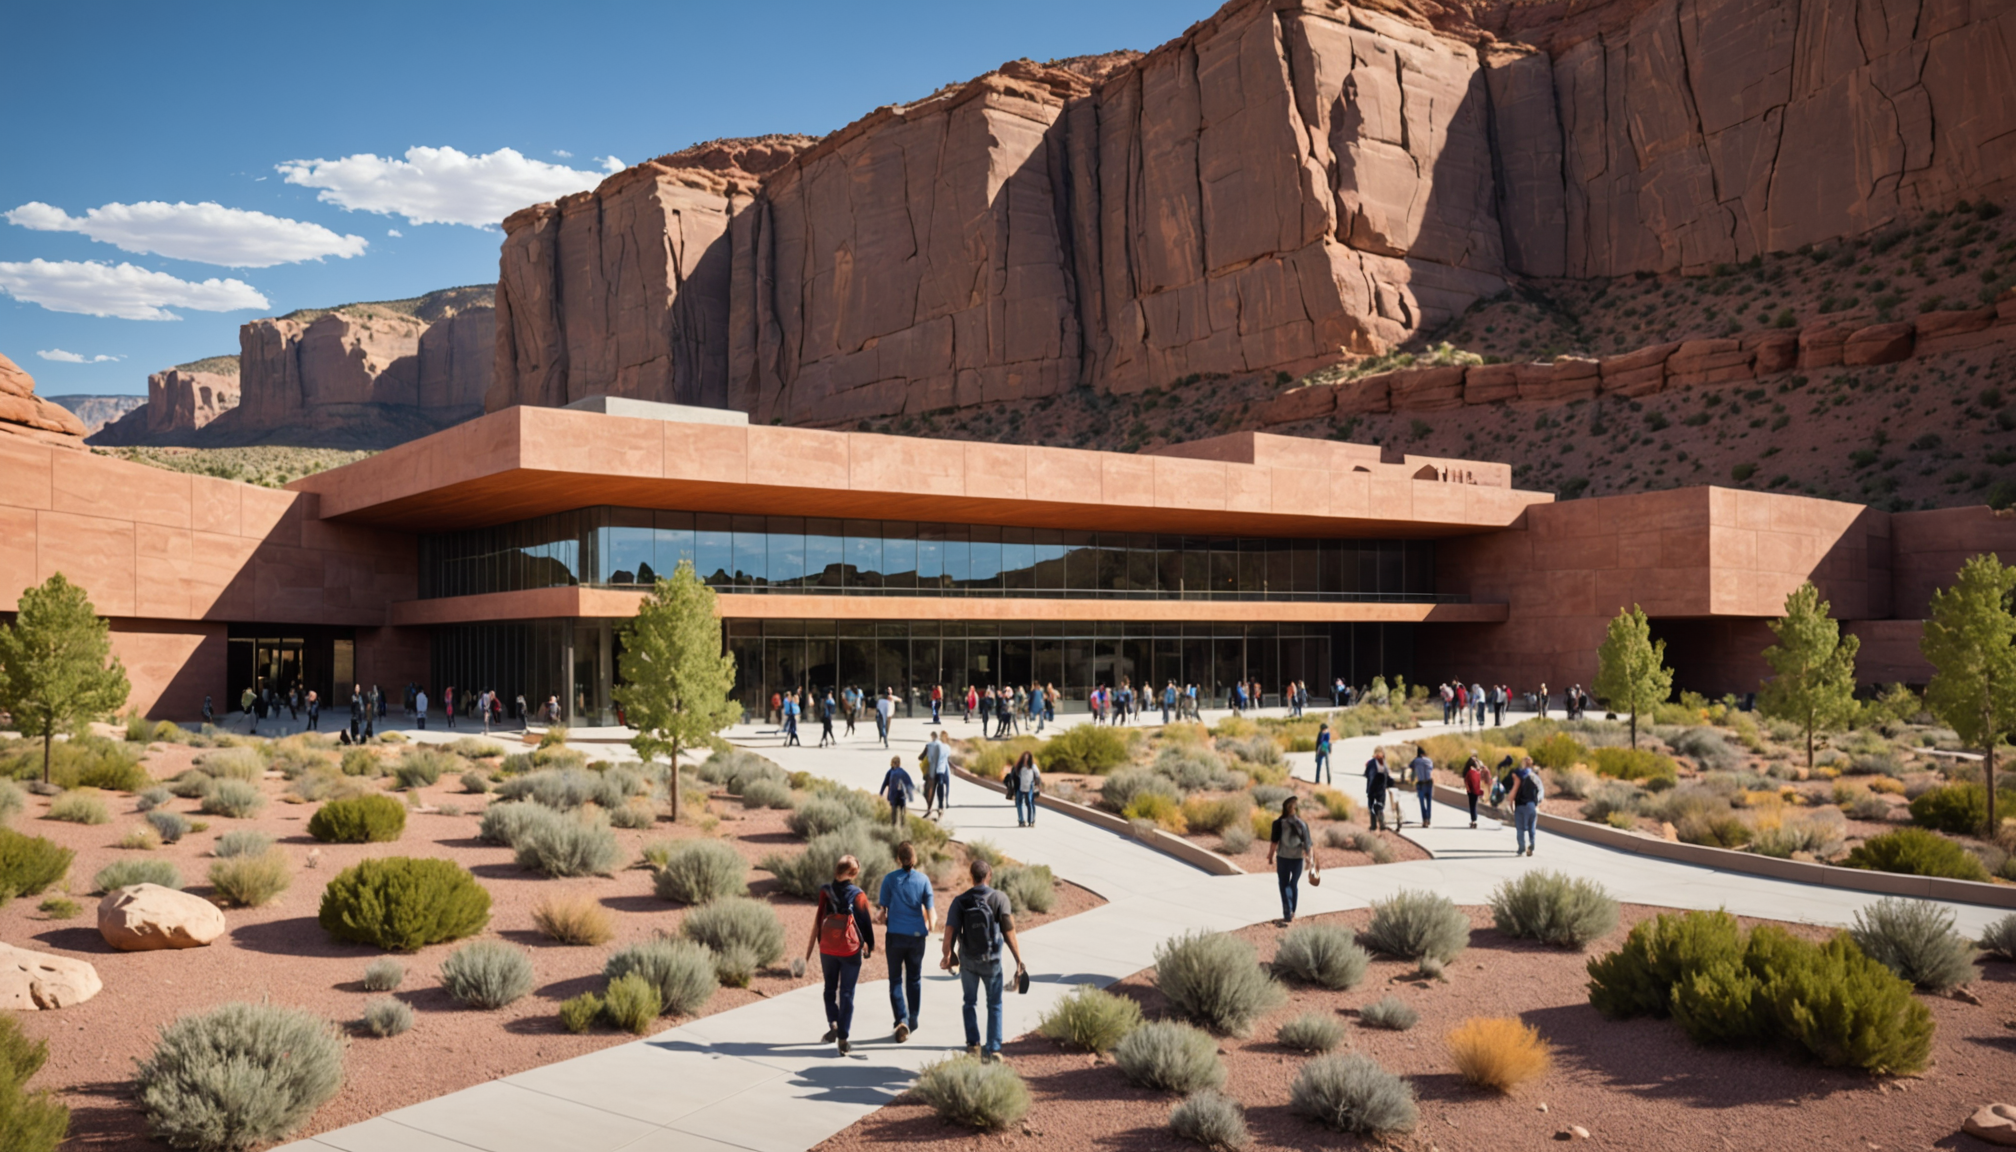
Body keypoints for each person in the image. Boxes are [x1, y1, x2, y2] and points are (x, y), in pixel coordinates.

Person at [941, 859, 1026, 1063]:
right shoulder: (1000, 898)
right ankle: (994, 1049)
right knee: (994, 1003)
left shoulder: (960, 901)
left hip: (968, 960)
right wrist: (1018, 960)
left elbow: (949, 932)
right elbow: (1009, 931)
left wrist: (948, 956)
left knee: (969, 1001)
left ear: (971, 876)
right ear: (989, 875)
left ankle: (973, 1045)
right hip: (992, 960)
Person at [804, 854, 875, 1055]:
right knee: (846, 992)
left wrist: (820, 942)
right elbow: (865, 923)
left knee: (829, 988)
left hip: (828, 947)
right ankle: (843, 1037)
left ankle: (833, 1023)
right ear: (853, 874)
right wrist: (870, 945)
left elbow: (820, 916)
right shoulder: (858, 894)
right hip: (849, 950)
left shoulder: (825, 890)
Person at [877, 842, 935, 1043]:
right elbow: (930, 910)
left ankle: (901, 1019)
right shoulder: (923, 880)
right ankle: (914, 1017)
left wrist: (881, 917)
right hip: (917, 936)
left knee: (895, 979)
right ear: (915, 858)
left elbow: (881, 912)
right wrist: (931, 925)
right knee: (914, 978)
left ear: (898, 859)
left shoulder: (890, 880)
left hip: (895, 935)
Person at [1264, 795, 1319, 926]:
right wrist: (1310, 860)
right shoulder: (1302, 824)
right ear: (1296, 809)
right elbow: (1308, 844)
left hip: (1283, 858)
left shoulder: (1278, 823)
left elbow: (1274, 843)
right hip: (1298, 859)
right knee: (1293, 884)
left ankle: (1287, 912)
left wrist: (1270, 855)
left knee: (1283, 885)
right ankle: (1292, 910)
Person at [1508, 757, 1543, 856]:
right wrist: (1536, 802)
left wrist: (1511, 804)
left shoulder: (1518, 776)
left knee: (1520, 829)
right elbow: (1541, 791)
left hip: (1520, 805)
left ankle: (1521, 848)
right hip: (1531, 805)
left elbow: (1514, 791)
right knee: (1532, 827)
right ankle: (1531, 844)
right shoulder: (1535, 777)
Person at [879, 754, 915, 830]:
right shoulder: (903, 772)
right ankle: (902, 828)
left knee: (894, 817)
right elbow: (910, 784)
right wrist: (910, 795)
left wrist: (880, 794)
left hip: (893, 797)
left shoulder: (890, 772)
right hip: (901, 797)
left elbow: (884, 783)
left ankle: (894, 830)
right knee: (902, 816)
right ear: (899, 763)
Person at [922, 731, 952, 819]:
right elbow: (947, 758)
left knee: (929, 788)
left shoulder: (929, 745)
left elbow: (922, 757)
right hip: (941, 771)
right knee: (940, 786)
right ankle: (940, 806)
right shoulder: (946, 747)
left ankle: (929, 808)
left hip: (932, 771)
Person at [1007, 750, 1042, 827]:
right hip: (1020, 787)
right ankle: (1021, 820)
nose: (1026, 759)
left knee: (1029, 802)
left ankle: (1031, 820)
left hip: (1030, 787)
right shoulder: (1019, 766)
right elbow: (1014, 776)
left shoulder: (1033, 766)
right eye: (1024, 758)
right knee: (1019, 803)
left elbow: (1037, 776)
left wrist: (1038, 786)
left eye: (1027, 758)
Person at [1364, 748, 1392, 831]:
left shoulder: (1371, 763)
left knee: (1372, 806)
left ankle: (1374, 825)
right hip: (1380, 789)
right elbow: (1387, 775)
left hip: (1372, 788)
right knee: (1380, 805)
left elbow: (1366, 774)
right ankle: (1381, 824)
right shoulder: (1384, 764)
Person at [1408, 745, 1435, 827]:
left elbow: (1410, 767)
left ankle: (1425, 820)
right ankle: (1429, 819)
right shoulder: (1429, 761)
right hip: (1429, 783)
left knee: (1422, 803)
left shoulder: (1416, 761)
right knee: (1429, 802)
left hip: (1421, 783)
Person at [1462, 754, 1489, 828]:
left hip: (1471, 791)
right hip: (1475, 790)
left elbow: (1467, 781)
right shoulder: (1475, 771)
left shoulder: (1469, 771)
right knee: (1473, 805)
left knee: (1472, 805)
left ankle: (1473, 820)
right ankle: (1474, 820)